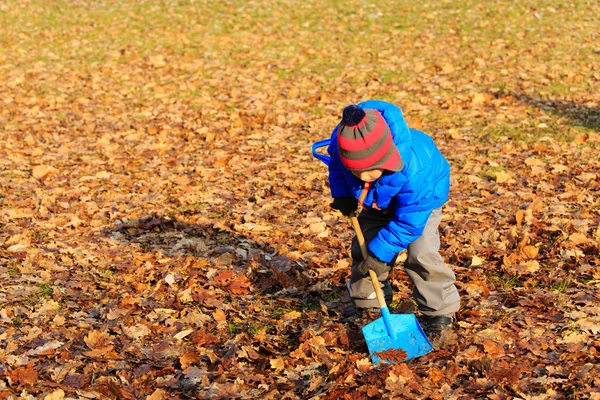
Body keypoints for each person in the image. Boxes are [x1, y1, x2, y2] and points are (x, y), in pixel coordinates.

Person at [326, 100, 460, 337]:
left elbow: (409, 223)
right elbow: (337, 168)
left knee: (422, 253)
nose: (365, 175)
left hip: (421, 202)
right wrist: (343, 195)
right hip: (376, 200)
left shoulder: (415, 168)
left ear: (387, 158)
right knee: (364, 250)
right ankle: (370, 304)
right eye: (358, 171)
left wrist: (381, 253)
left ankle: (440, 311)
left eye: (371, 169)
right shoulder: (342, 143)